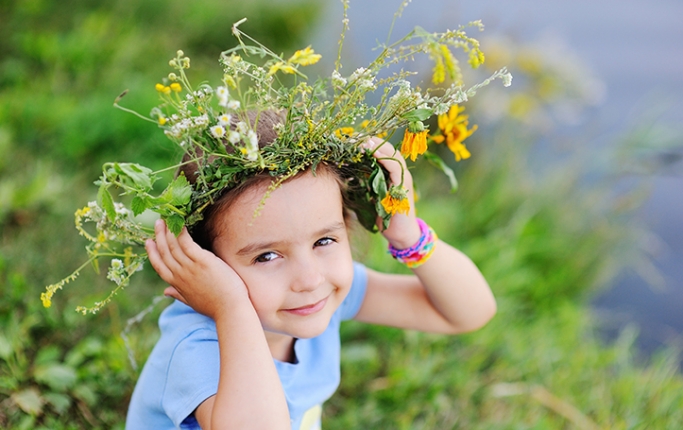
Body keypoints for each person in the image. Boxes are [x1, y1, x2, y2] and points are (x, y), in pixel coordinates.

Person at [124, 109, 497, 429]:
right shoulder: (197, 347)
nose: (310, 279)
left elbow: (468, 313)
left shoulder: (321, 295)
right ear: (206, 265)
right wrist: (231, 307)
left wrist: (407, 236)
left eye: (323, 242)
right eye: (266, 256)